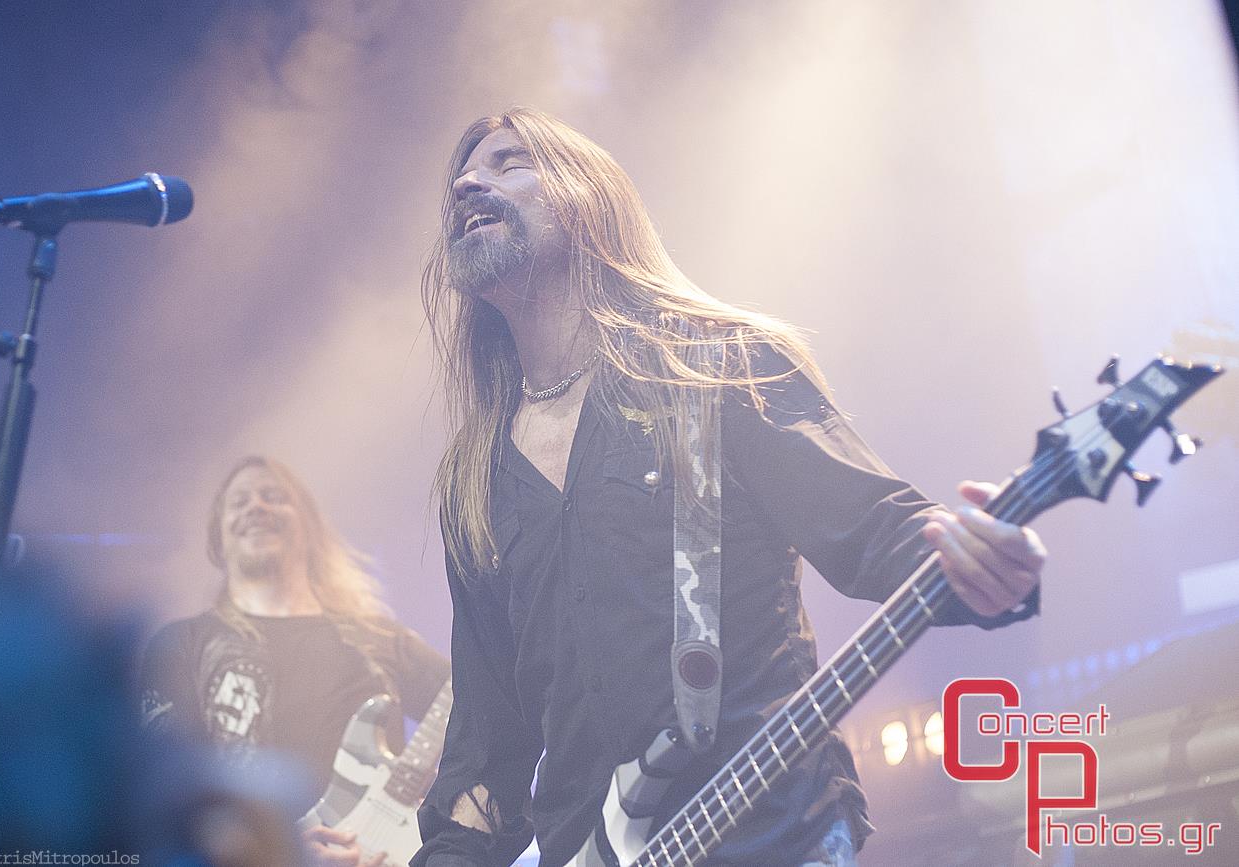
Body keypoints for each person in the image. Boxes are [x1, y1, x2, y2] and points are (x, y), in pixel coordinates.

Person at [411, 108, 1046, 867]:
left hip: (767, 830)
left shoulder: (717, 367)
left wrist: (984, 559)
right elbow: (489, 744)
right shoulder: (474, 480)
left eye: (509, 162)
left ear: (591, 199)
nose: (468, 183)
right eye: (461, 178)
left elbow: (873, 528)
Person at [142, 455, 451, 867]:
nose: (256, 507)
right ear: (217, 538)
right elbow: (159, 780)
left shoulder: (379, 638)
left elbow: (477, 705)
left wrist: (430, 800)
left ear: (310, 526)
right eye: (239, 502)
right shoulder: (180, 645)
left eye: (273, 497)